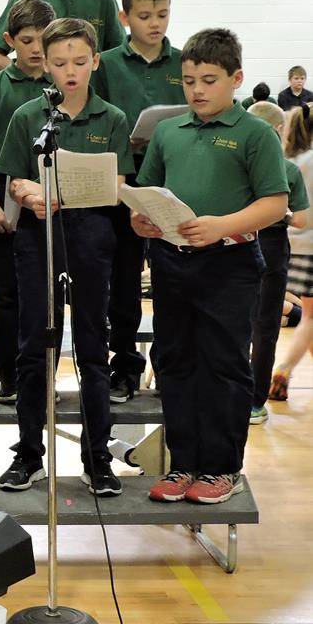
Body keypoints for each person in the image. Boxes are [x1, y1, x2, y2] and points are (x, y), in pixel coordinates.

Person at [134, 28, 288, 505]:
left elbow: (275, 204)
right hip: (172, 262)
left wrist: (222, 225)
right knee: (174, 360)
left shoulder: (255, 133)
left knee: (222, 364)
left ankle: (222, 468)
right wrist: (143, 221)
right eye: (188, 80)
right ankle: (182, 464)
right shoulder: (167, 131)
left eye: (209, 79)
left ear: (236, 78)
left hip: (231, 263)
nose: (197, 89)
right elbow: (147, 193)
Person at [0, 18, 133, 497]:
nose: (69, 71)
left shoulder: (112, 118)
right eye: (58, 63)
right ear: (43, 66)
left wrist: (85, 189)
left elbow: (118, 185)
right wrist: (29, 190)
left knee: (93, 347)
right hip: (39, 236)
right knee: (35, 344)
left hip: (92, 237)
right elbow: (14, 178)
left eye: (79, 62)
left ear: (95, 61)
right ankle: (29, 453)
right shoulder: (28, 117)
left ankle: (97, 457)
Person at [92, 0, 185, 404]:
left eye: (163, 15)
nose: (155, 24)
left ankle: (170, 365)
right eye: (145, 16)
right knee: (124, 281)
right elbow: (96, 117)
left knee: (173, 277)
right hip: (122, 185)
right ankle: (125, 365)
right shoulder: (106, 64)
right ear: (125, 17)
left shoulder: (182, 63)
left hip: (171, 183)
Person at [0, 0, 56, 404]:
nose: (36, 48)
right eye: (26, 39)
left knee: (49, 294)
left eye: (43, 40)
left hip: (52, 193)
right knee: (6, 295)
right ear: (9, 41)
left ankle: (43, 379)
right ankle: (10, 379)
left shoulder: (62, 85)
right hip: (2, 191)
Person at [245, 101, 308, 424]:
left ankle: (231, 395)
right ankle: (255, 403)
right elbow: (300, 219)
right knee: (265, 326)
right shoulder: (288, 169)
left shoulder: (237, 162)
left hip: (234, 239)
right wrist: (280, 211)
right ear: (278, 129)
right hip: (270, 243)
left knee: (233, 323)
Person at [271, 104, 313, 402]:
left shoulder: (290, 160)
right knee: (309, 318)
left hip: (294, 246)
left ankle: (285, 369)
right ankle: (284, 368)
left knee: (310, 317)